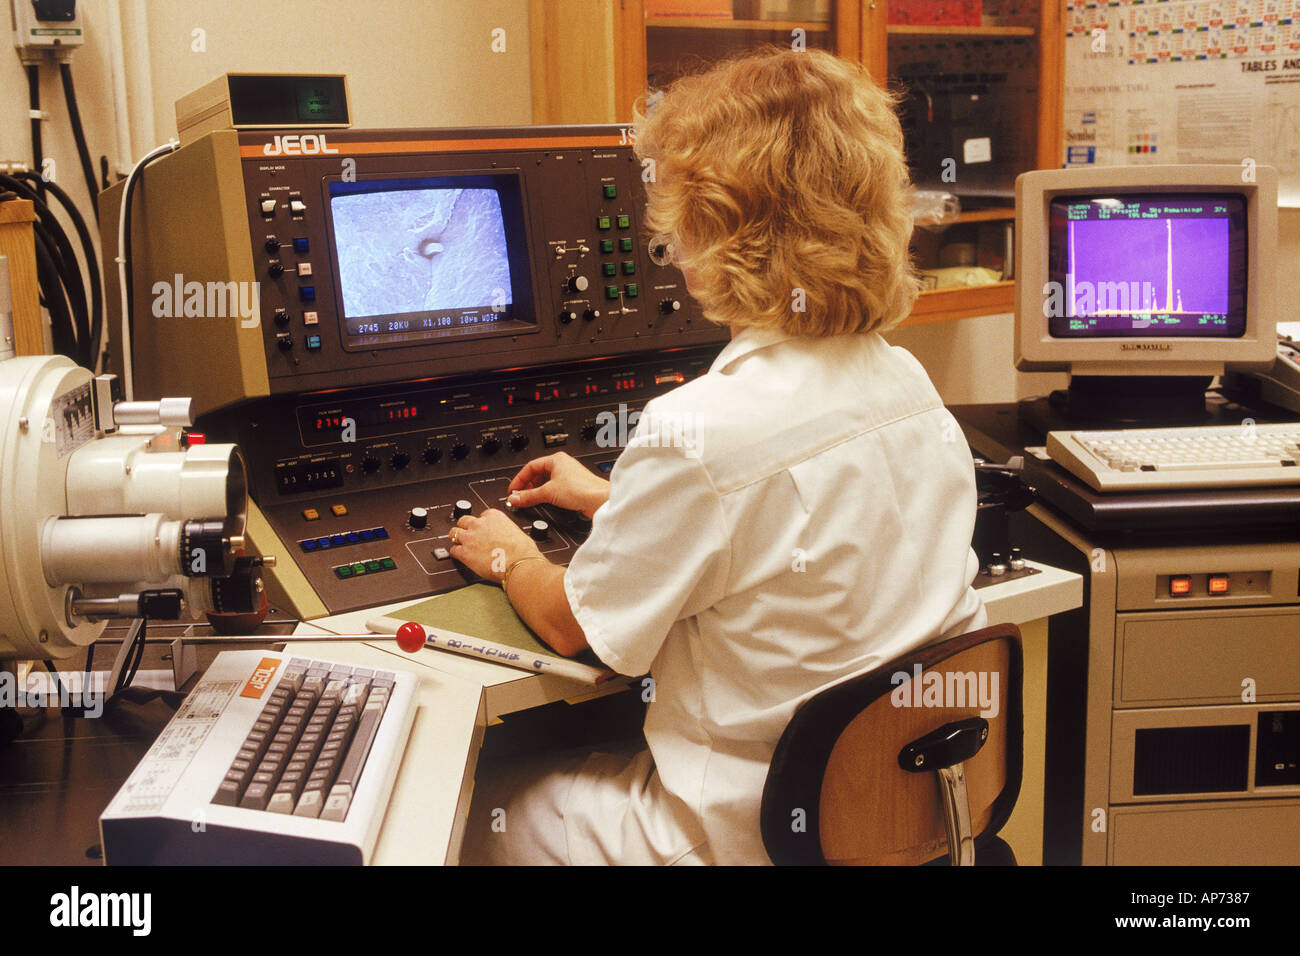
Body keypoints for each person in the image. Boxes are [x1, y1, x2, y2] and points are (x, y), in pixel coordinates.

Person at [451, 47, 986, 865]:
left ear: (717, 223)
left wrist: (509, 555)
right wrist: (612, 501)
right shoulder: (905, 381)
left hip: (735, 842)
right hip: (896, 827)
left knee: (463, 804)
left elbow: (569, 627)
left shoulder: (695, 431)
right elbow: (787, 525)